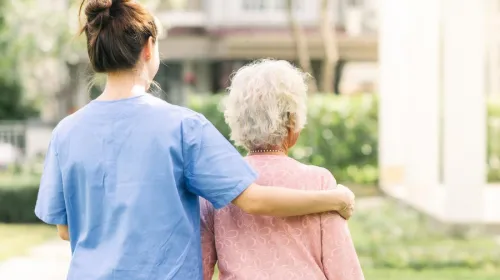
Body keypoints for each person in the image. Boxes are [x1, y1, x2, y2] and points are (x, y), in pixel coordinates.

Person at [34, 1, 355, 280]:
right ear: (148, 48)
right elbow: (252, 200)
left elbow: (65, 229)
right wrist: (333, 199)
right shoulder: (183, 127)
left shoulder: (66, 132)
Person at [201, 59, 364, 280]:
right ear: (292, 121)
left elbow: (200, 268)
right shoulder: (320, 182)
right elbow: (345, 271)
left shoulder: (218, 184)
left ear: (237, 121)